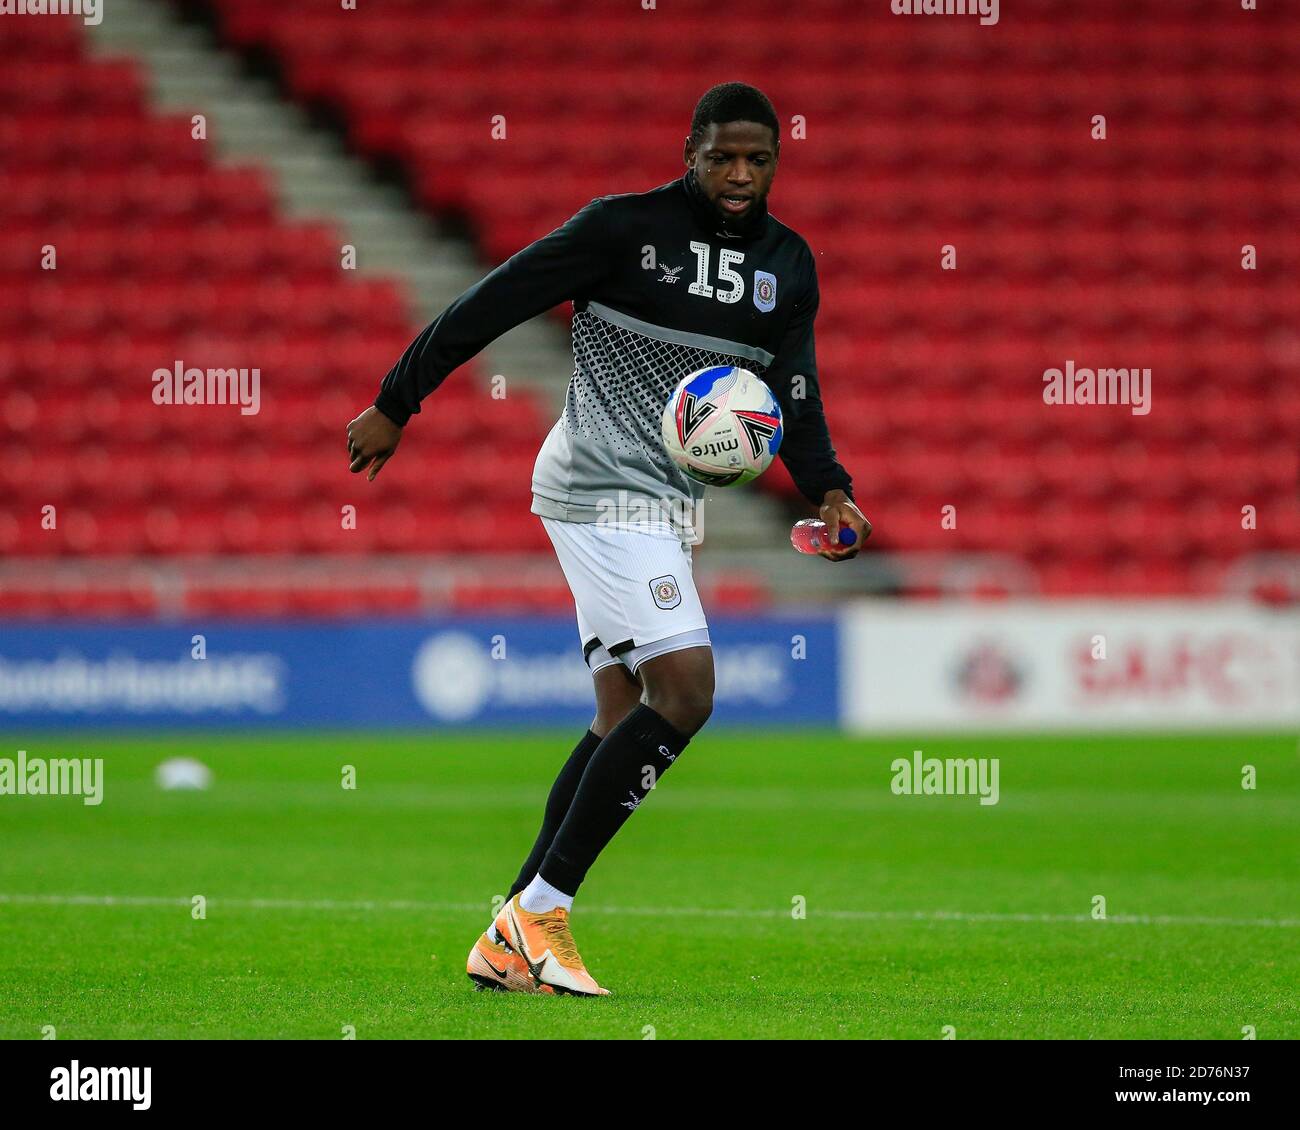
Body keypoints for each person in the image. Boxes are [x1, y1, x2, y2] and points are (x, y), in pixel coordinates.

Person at [346, 81, 869, 996]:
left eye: (759, 159)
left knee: (624, 713)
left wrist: (829, 487)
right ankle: (542, 912)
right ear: (690, 153)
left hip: (667, 504)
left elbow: (795, 386)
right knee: (689, 691)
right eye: (722, 158)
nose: (740, 175)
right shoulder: (622, 230)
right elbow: (493, 301)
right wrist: (398, 399)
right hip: (600, 491)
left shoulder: (789, 262)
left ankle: (512, 930)